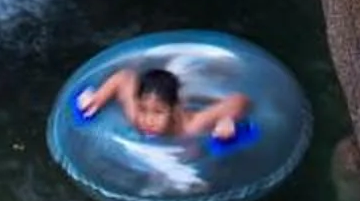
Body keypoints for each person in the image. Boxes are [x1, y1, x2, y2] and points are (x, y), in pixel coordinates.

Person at [75, 61, 251, 147]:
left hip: (192, 87)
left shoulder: (191, 127)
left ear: (174, 110)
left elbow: (239, 100)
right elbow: (124, 77)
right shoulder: (136, 116)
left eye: (158, 112)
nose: (148, 120)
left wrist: (226, 121)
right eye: (143, 109)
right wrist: (98, 97)